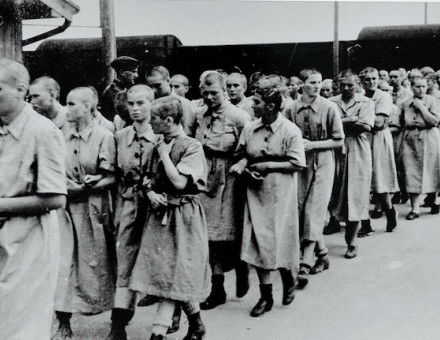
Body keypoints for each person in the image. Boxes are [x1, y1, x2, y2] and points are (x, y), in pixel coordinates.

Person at [130, 96, 209, 340]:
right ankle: (196, 323)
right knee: (167, 273)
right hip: (160, 215)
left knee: (177, 272)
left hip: (184, 216)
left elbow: (179, 182)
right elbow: (146, 177)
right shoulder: (158, 144)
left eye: (153, 118)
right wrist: (151, 192)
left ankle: (158, 332)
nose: (149, 122)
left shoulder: (191, 146)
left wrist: (164, 154)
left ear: (169, 120)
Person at [0, 58, 67, 340]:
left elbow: (54, 198)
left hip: (30, 243)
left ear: (21, 90)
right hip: (4, 239)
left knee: (21, 326)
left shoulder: (42, 131)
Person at [230, 76, 306, 317]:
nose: (253, 106)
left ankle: (288, 279)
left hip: (279, 195)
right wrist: (244, 166)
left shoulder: (290, 131)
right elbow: (242, 153)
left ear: (271, 106)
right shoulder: (250, 128)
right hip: (255, 194)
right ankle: (266, 296)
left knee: (280, 240)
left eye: (258, 102)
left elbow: (297, 163)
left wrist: (267, 166)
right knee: (258, 243)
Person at [53, 87, 116, 338]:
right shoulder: (59, 134)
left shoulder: (104, 135)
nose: (66, 109)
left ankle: (116, 322)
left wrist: (90, 184)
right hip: (66, 209)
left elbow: (112, 176)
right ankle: (63, 324)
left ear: (89, 106)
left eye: (72, 104)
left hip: (94, 209)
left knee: (101, 264)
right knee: (63, 265)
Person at [107, 85, 161, 339]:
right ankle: (118, 325)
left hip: (158, 206)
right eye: (131, 104)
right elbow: (116, 176)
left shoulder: (163, 134)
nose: (136, 109)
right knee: (125, 261)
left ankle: (181, 316)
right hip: (129, 203)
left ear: (152, 103)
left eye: (141, 103)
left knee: (162, 261)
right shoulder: (119, 136)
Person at [194, 71, 252, 311]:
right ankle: (217, 288)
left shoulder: (239, 117)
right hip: (204, 175)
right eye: (205, 93)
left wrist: (243, 163)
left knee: (229, 234)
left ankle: (241, 268)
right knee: (208, 236)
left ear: (225, 91)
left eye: (214, 92)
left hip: (230, 178)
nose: (209, 97)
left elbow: (252, 149)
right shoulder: (199, 116)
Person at [285, 69, 344, 286]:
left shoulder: (329, 107)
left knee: (315, 209)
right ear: (301, 84)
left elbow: (339, 140)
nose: (317, 86)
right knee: (301, 209)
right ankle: (323, 254)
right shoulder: (291, 109)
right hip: (301, 163)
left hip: (325, 161)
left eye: (319, 82)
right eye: (312, 82)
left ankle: (305, 263)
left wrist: (314, 145)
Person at [330, 70, 375, 258]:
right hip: (335, 149)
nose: (347, 88)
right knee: (335, 192)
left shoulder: (366, 102)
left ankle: (352, 241)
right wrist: (351, 119)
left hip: (358, 148)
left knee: (356, 194)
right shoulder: (331, 103)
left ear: (357, 85)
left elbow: (366, 126)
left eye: (350, 84)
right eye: (343, 85)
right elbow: (328, 127)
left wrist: (340, 122)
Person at [359, 67, 399, 235]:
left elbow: (379, 123)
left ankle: (389, 211)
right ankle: (365, 223)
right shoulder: (358, 96)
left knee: (379, 179)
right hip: (362, 139)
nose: (371, 82)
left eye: (374, 78)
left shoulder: (384, 97)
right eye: (367, 79)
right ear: (362, 81)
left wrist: (357, 119)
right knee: (360, 180)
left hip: (379, 139)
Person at [400, 76, 440, 219]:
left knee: (432, 169)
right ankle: (415, 208)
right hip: (411, 137)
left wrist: (421, 107)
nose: (421, 89)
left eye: (423, 86)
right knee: (411, 170)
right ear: (411, 87)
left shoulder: (433, 101)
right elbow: (402, 123)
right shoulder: (405, 103)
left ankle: (433, 200)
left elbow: (434, 121)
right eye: (417, 86)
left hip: (429, 136)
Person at [146, 65, 197, 136]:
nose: (153, 90)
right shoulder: (148, 103)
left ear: (168, 81)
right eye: (150, 86)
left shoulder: (184, 104)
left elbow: (187, 133)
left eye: (157, 85)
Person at [101, 56, 139, 120]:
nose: (136, 76)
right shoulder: (112, 92)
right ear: (122, 72)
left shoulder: (124, 89)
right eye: (133, 72)